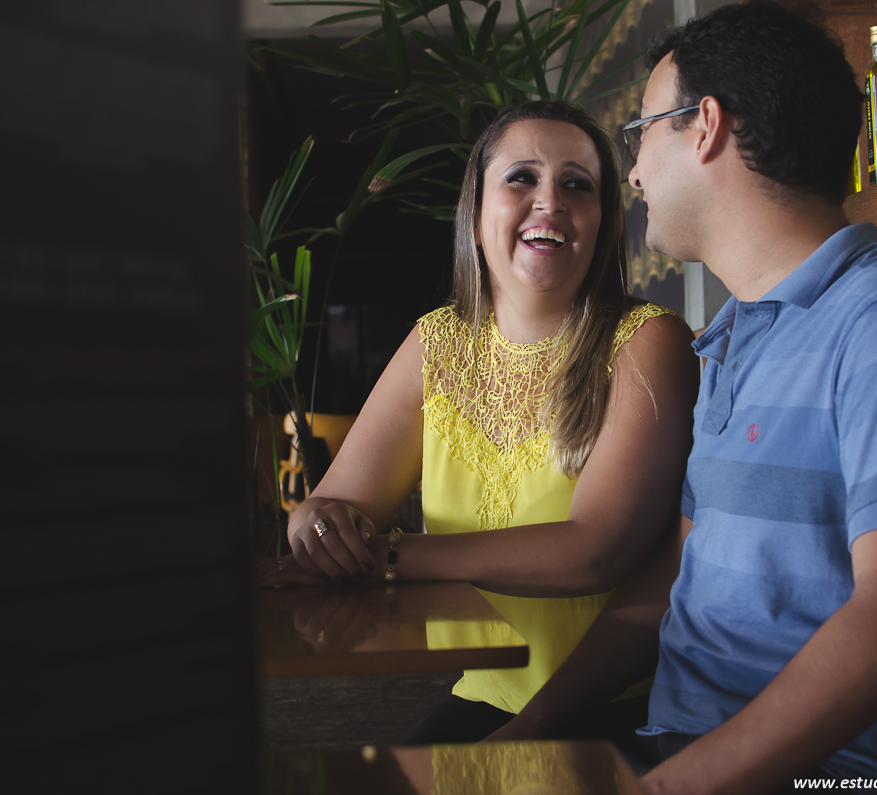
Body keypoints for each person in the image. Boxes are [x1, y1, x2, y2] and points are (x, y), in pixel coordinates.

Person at [485, 4, 877, 791]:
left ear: (706, 125)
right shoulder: (731, 334)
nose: (636, 172)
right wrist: (532, 726)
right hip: (676, 741)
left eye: (641, 133)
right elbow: (679, 574)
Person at [254, 101, 699, 747]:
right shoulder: (438, 342)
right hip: (483, 693)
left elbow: (596, 550)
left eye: (578, 184)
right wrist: (317, 529)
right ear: (476, 210)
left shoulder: (648, 342)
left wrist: (383, 558)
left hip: (621, 706)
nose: (551, 201)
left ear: (602, 223)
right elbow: (338, 500)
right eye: (522, 177)